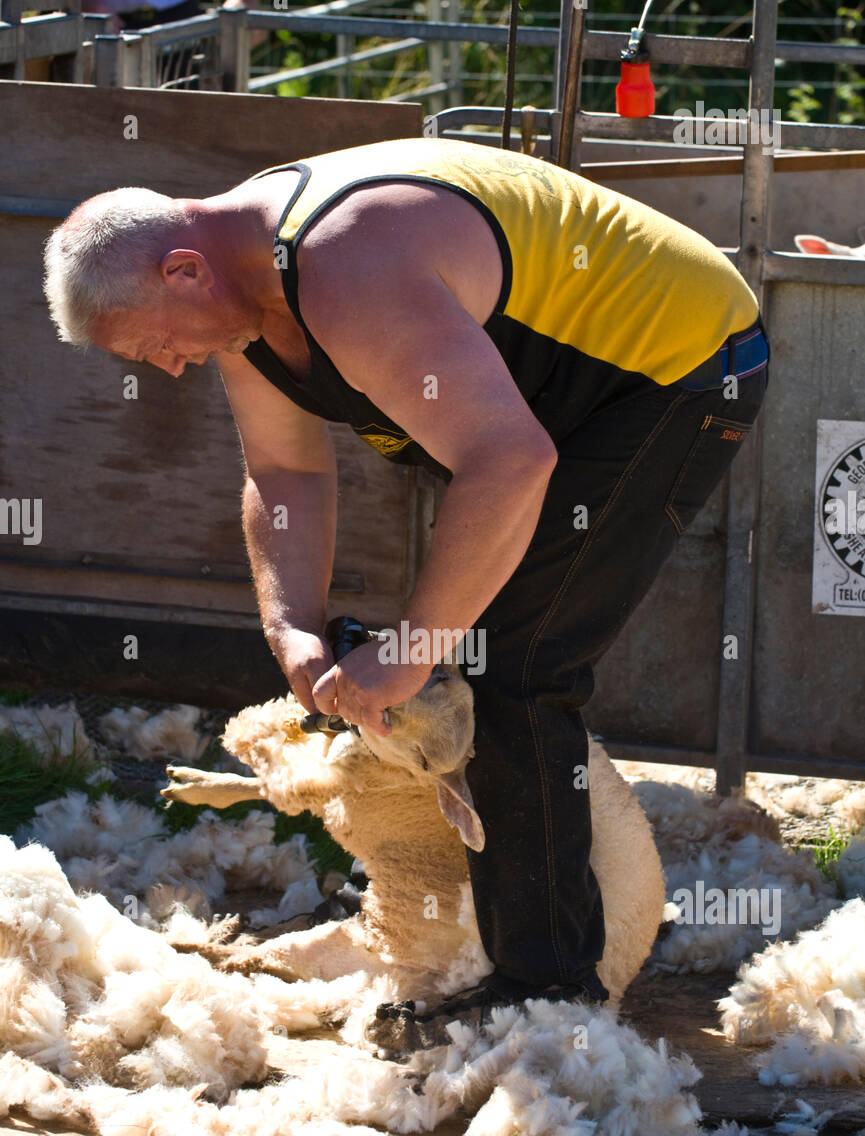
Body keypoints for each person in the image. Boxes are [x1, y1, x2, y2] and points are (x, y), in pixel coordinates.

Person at [42, 136, 769, 1046]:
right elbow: (283, 471)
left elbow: (509, 461)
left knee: (512, 660)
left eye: (157, 345)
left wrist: (416, 648)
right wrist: (292, 626)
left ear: (184, 271)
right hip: (540, 401)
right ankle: (493, 926)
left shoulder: (345, 262)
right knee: (475, 646)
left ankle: (549, 995)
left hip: (675, 365)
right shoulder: (237, 300)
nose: (173, 368)